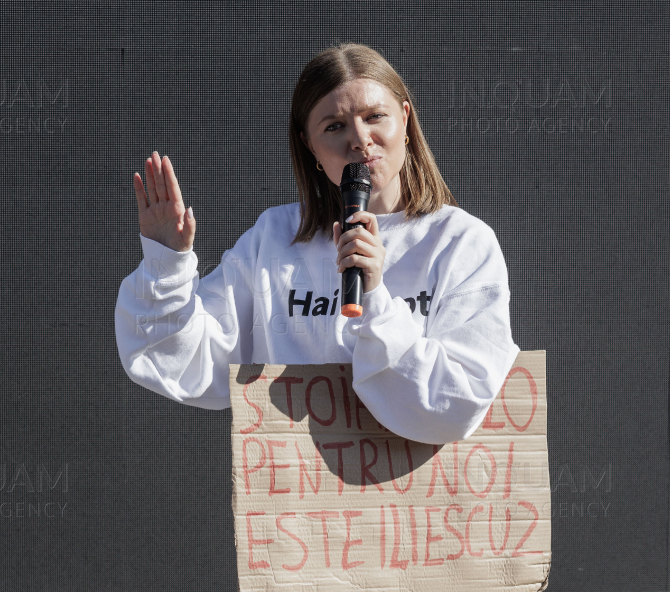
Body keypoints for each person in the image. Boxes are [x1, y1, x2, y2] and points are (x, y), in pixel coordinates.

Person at [115, 43, 519, 444]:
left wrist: (375, 300)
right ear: (311, 146)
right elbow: (184, 361)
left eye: (375, 116)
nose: (360, 140)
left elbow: (457, 404)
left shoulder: (461, 243)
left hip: (420, 505)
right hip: (297, 499)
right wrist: (167, 264)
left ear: (406, 120)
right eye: (334, 127)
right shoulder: (274, 239)